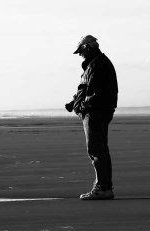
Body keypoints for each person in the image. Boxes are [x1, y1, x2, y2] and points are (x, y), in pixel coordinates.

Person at [65, 35, 118, 200]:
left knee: (96, 150)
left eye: (81, 50)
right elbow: (87, 89)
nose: (80, 54)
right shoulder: (95, 63)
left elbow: (95, 91)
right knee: (100, 149)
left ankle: (102, 188)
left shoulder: (97, 64)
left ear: (87, 47)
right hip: (97, 110)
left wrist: (82, 106)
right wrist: (74, 102)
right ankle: (104, 187)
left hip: (95, 111)